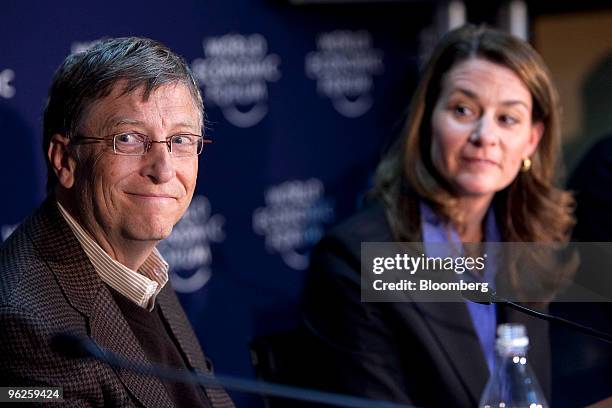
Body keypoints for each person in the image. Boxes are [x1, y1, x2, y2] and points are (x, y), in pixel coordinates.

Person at [300, 25, 574, 407]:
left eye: (507, 119)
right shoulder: (356, 261)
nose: (485, 135)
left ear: (532, 138)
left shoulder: (529, 243)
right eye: (463, 110)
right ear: (428, 118)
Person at [0, 37, 234, 407]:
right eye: (128, 139)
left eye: (181, 140)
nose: (163, 169)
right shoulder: (24, 321)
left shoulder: (137, 261)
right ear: (64, 160)